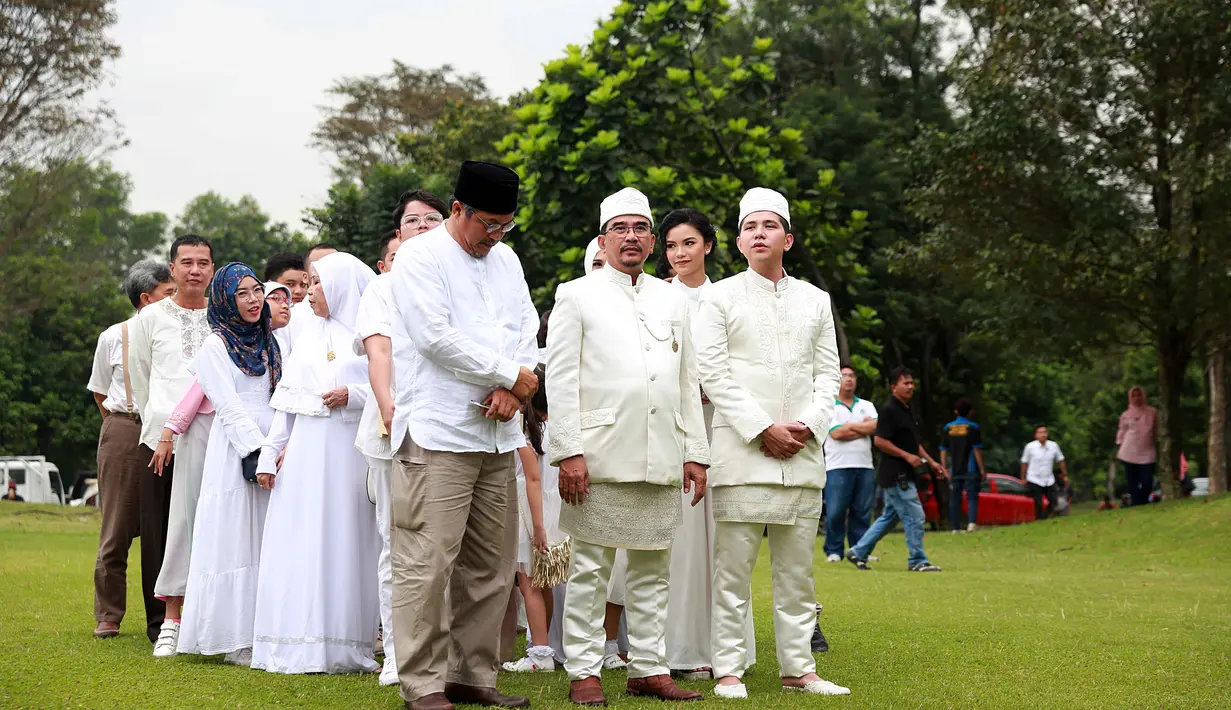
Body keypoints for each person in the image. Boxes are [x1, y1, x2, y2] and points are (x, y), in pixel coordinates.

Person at [548, 186, 710, 706]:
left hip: (662, 453)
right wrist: (568, 450)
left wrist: (696, 452)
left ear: (651, 239)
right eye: (620, 228)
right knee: (592, 571)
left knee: (651, 571)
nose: (631, 237)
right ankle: (583, 671)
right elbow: (561, 380)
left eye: (640, 228)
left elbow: (687, 381)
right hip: (597, 457)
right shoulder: (575, 294)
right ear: (603, 238)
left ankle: (647, 667)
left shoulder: (673, 298)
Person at [388, 161, 538, 710]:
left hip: (498, 437)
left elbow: (526, 328)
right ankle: (422, 685)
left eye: (505, 225)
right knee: (426, 564)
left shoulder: (507, 259)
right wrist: (507, 374)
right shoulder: (420, 258)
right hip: (438, 433)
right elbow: (434, 337)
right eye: (488, 225)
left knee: (491, 568)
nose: (495, 237)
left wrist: (516, 389)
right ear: (458, 210)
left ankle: (472, 675)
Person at [696, 187, 846, 699]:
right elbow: (712, 371)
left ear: (788, 237)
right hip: (741, 453)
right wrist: (762, 429)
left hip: (803, 456)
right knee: (732, 574)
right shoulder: (718, 296)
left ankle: (799, 669)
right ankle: (729, 670)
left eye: (769, 226)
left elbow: (828, 375)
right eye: (750, 228)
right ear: (739, 241)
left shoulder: (815, 299)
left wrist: (807, 425)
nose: (759, 234)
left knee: (797, 575)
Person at [251, 251, 380, 675]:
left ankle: (343, 643)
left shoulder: (368, 336)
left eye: (319, 284)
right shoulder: (306, 334)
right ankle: (294, 641)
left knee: (343, 539)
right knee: (300, 539)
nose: (309, 292)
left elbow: (388, 388)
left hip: (347, 451)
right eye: (309, 283)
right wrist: (270, 455)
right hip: (306, 453)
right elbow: (286, 404)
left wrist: (353, 395)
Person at [659, 207, 758, 679]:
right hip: (674, 428)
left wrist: (715, 389)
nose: (680, 253)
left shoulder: (730, 298)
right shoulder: (657, 298)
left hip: (722, 426)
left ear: (710, 246)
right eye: (672, 245)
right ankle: (679, 649)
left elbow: (746, 364)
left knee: (726, 541)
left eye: (689, 243)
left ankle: (728, 651)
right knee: (681, 543)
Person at [176, 263, 281, 666]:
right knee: (236, 536)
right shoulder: (214, 347)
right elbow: (227, 404)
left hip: (273, 444)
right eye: (242, 294)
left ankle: (267, 628)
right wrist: (257, 453)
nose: (253, 300)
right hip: (238, 448)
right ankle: (235, 636)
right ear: (224, 299)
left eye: (257, 291)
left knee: (267, 536)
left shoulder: (270, 342)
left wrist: (279, 446)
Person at [128, 234, 215, 657]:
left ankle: (203, 619)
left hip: (213, 440)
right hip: (159, 440)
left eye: (202, 262)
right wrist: (159, 424)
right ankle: (159, 622)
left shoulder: (223, 316)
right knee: (159, 532)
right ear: (172, 268)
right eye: (186, 262)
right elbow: (141, 376)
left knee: (208, 527)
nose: (194, 270)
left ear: (212, 270)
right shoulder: (151, 317)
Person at [87, 258, 176, 641]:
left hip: (172, 431)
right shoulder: (114, 336)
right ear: (146, 298)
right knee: (118, 527)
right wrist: (123, 423)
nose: (175, 298)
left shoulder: (178, 332)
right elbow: (100, 391)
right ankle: (109, 613)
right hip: (126, 428)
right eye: (167, 293)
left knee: (166, 526)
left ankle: (166, 616)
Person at [353, 230, 407, 686]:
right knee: (396, 543)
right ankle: (396, 651)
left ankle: (450, 655)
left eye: (432, 218)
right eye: (412, 221)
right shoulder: (381, 289)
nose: (422, 227)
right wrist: (389, 409)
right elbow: (379, 352)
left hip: (459, 431)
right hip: (392, 432)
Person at [847, 366, 945, 572]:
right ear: (894, 387)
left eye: (912, 383)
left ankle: (858, 551)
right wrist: (907, 456)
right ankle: (917, 560)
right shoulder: (890, 411)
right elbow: (880, 441)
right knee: (915, 516)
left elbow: (914, 443)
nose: (910, 387)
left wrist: (932, 462)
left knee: (889, 518)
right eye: (905, 383)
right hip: (895, 474)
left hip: (904, 473)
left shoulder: (907, 410)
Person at [501, 371, 563, 673]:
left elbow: (532, 479)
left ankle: (540, 653)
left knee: (529, 584)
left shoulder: (524, 433)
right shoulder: (553, 430)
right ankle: (542, 643)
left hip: (531, 512)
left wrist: (537, 527)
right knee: (543, 583)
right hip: (550, 509)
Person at [823, 366, 879, 562]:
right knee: (836, 510)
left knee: (862, 511)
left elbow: (875, 426)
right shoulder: (829, 405)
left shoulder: (866, 405)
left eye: (852, 376)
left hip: (864, 465)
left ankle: (860, 550)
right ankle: (834, 550)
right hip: (837, 466)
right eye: (844, 376)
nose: (848, 379)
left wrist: (849, 427)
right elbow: (836, 433)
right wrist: (862, 427)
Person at [940, 398, 987, 533]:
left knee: (955, 497)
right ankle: (971, 523)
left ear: (956, 412)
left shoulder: (948, 428)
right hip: (970, 467)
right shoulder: (973, 427)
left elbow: (943, 449)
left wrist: (944, 467)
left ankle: (955, 527)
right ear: (970, 412)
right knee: (972, 496)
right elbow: (977, 450)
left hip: (954, 468)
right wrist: (982, 469)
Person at [285, 242, 339, 347]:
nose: (327, 271)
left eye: (335, 264)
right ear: (305, 277)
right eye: (319, 265)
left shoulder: (360, 310)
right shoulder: (291, 318)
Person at [1116, 386, 1158, 506]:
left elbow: (1155, 431)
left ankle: (1143, 501)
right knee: (1132, 482)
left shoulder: (1152, 412)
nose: (1136, 398)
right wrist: (1119, 445)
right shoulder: (1125, 415)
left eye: (1139, 395)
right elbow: (1121, 432)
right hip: (1129, 452)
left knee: (1147, 481)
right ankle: (1136, 505)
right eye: (1133, 395)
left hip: (1147, 451)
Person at [1020, 425, 1067, 520]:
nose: (1043, 435)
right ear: (1036, 435)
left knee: (1054, 501)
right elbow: (1024, 462)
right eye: (1040, 433)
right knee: (1038, 502)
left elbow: (1061, 460)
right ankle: (1039, 519)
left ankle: (1045, 516)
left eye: (1045, 432)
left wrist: (1064, 475)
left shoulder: (1053, 446)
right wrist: (1023, 478)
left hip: (1048, 479)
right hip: (1034, 478)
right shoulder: (1030, 447)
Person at [263, 282, 293, 356]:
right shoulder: (236, 336)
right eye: (276, 298)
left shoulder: (279, 344)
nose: (285, 306)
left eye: (287, 302)